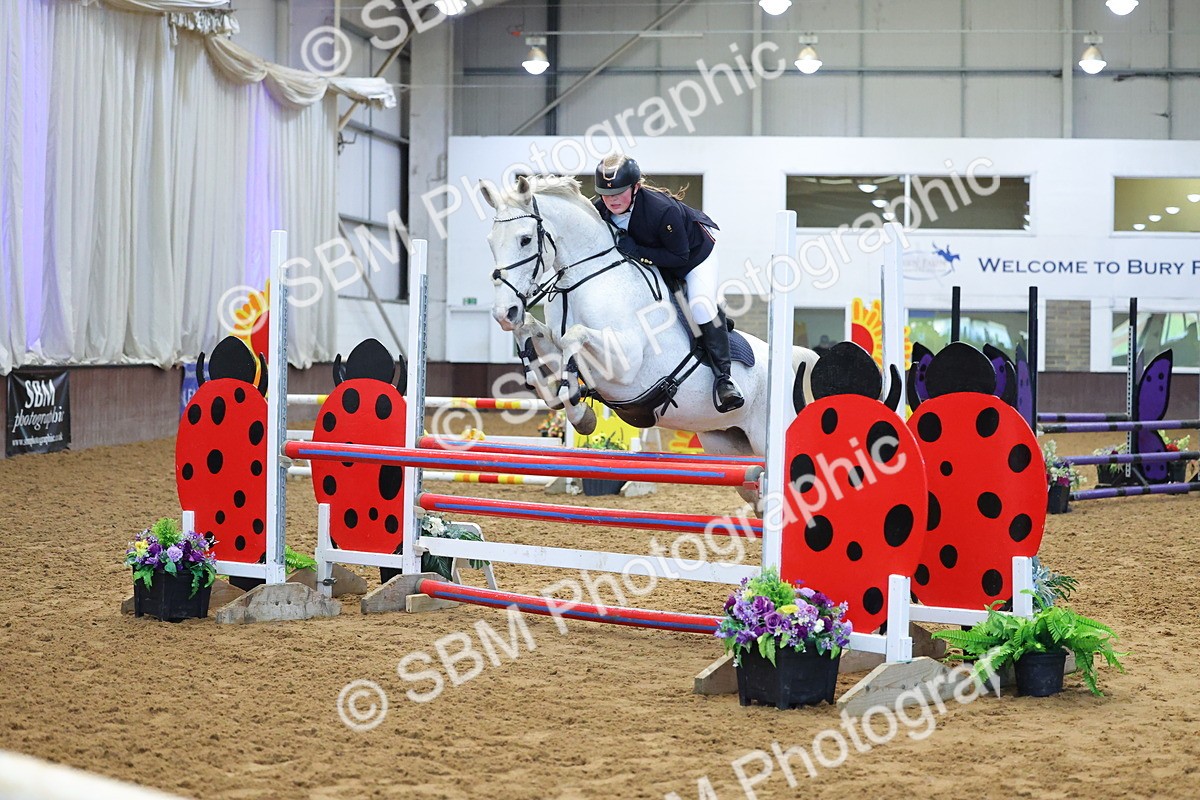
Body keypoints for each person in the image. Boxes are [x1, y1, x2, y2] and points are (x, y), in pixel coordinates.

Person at [592, 154, 744, 413]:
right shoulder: (599, 209)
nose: (612, 200)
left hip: (693, 258)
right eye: (606, 194)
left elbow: (678, 257)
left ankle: (724, 379)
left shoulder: (663, 210)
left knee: (700, 306)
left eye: (619, 192)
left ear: (635, 187)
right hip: (652, 256)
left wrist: (636, 249)